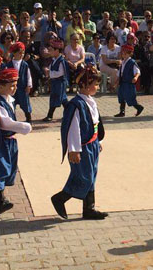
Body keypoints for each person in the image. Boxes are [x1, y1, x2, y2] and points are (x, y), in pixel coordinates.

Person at [51, 64, 107, 220]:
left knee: (91, 175)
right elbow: (73, 129)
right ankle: (60, 198)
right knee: (84, 177)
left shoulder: (90, 101)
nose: (96, 86)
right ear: (83, 85)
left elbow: (95, 123)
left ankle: (89, 208)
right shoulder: (76, 105)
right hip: (82, 147)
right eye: (94, 84)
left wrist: (97, 140)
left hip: (92, 144)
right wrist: (73, 149)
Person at [0, 68, 32, 214]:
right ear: (0, 86)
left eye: (15, 85)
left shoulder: (8, 100)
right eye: (11, 86)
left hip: (8, 141)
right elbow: (5, 123)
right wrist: (24, 126)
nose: (14, 88)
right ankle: (0, 201)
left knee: (7, 168)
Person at [4, 42, 32, 123]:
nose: (21, 55)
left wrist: (29, 85)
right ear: (14, 53)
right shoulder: (9, 65)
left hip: (23, 88)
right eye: (19, 52)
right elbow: (7, 76)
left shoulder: (25, 65)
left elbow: (28, 76)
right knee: (12, 103)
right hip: (12, 89)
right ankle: (13, 119)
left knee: (25, 104)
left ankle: (28, 118)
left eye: (23, 53)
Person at [43, 39, 69, 122]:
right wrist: (48, 71)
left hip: (60, 83)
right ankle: (68, 112)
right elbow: (52, 68)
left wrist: (50, 72)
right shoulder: (54, 60)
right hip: (55, 82)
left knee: (59, 98)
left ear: (57, 50)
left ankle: (50, 115)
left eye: (51, 50)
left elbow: (60, 73)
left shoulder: (61, 61)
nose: (49, 52)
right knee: (60, 98)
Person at [114, 44, 144, 117]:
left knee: (130, 98)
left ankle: (139, 107)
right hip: (122, 83)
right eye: (122, 52)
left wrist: (135, 77)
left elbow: (137, 71)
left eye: (124, 53)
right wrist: (116, 82)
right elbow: (120, 74)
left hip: (129, 83)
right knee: (121, 97)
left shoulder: (132, 62)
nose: (122, 54)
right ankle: (122, 111)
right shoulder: (122, 63)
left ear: (130, 53)